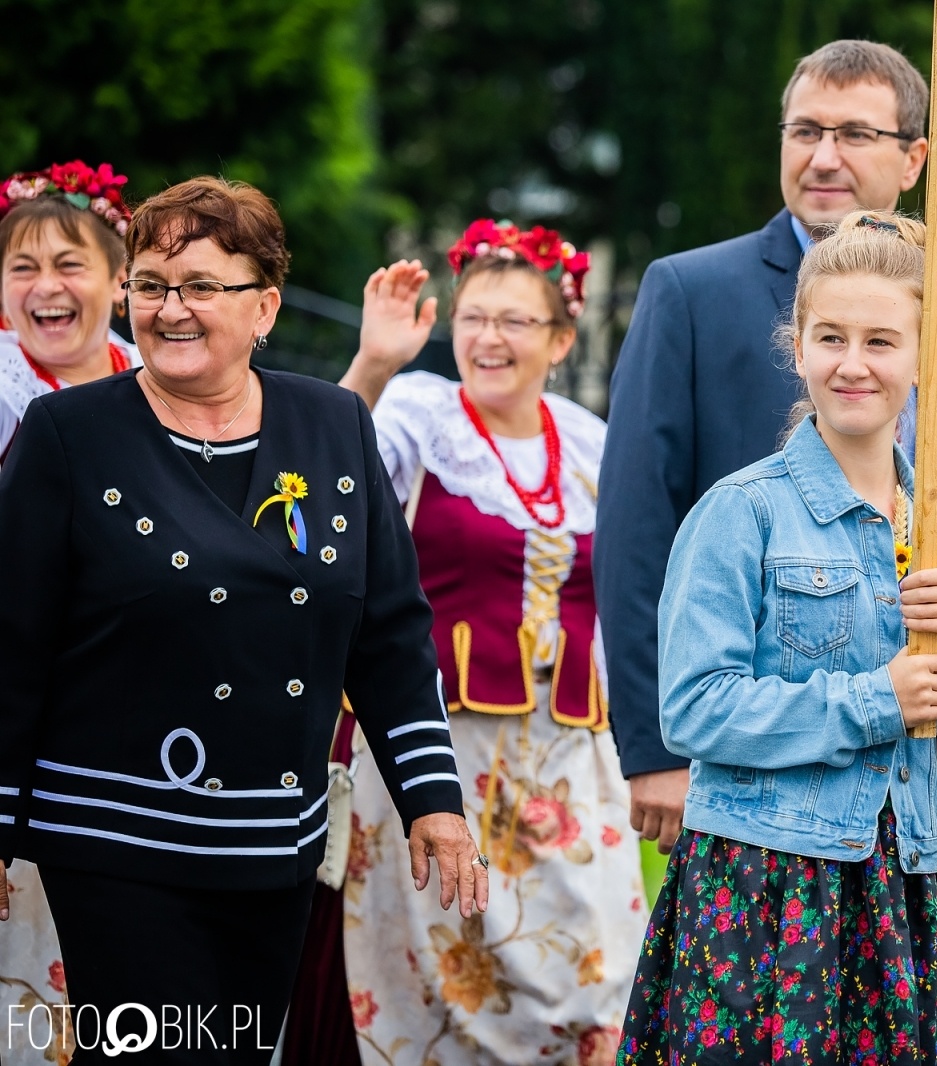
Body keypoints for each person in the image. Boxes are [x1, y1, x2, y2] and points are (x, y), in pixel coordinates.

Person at [0, 176, 485, 1066]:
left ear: (264, 306)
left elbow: (387, 634)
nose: (170, 309)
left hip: (274, 842)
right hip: (117, 838)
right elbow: (10, 644)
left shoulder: (333, 424)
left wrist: (434, 802)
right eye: (150, 285)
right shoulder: (67, 434)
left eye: (200, 286)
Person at [594, 39, 937, 924]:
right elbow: (633, 524)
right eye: (805, 130)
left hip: (934, 775)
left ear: (915, 157)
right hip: (765, 784)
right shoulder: (692, 290)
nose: (823, 156)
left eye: (854, 133)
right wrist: (651, 743)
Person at [617, 209, 937, 1063]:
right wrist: (878, 700)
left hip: (904, 879)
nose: (853, 363)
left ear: (925, 359)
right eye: (830, 336)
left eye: (882, 341)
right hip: (763, 882)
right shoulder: (742, 513)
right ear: (796, 345)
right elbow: (693, 709)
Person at [329, 220, 644, 1066]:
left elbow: (618, 603)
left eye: (514, 321)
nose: (488, 338)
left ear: (562, 338)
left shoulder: (586, 443)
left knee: (597, 970)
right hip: (440, 753)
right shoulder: (420, 413)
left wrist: (639, 741)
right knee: (434, 981)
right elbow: (326, 476)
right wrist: (376, 363)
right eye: (472, 317)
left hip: (568, 758)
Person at [0, 158, 140, 1065]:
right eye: (22, 266)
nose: (46, 287)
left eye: (70, 263)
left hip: (136, 732)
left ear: (120, 278)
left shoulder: (166, 380)